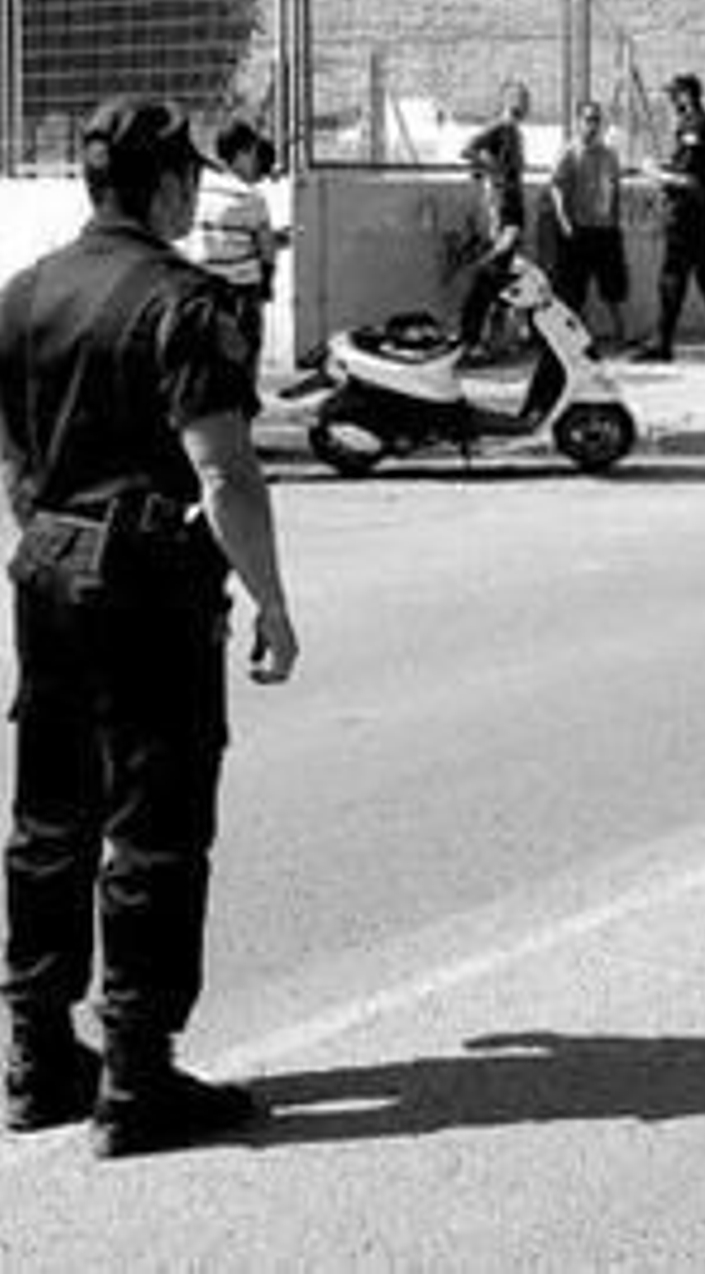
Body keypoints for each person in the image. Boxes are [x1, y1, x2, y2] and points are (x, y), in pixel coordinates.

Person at [0, 98, 300, 1159]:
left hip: (46, 568)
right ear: (166, 184)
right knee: (155, 826)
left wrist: (50, 536)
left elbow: (12, 458)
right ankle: (135, 1076)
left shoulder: (24, 293)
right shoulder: (190, 302)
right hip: (147, 583)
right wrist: (271, 601)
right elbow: (223, 471)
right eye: (187, 176)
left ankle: (35, 1059)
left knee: (49, 820)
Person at [637, 72, 705, 361]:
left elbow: (691, 178)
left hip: (688, 213)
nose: (670, 100)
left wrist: (655, 174)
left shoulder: (696, 125)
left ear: (686, 95)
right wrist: (663, 167)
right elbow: (683, 165)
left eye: (674, 94)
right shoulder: (694, 125)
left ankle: (663, 343)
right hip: (694, 212)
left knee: (673, 277)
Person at [181, 117, 277, 385]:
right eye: (254, 154)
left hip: (199, 293)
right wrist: (268, 280)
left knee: (204, 372)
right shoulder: (251, 197)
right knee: (243, 372)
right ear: (243, 153)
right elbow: (267, 249)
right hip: (240, 296)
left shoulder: (197, 189)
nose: (257, 163)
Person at [458, 79, 531, 360]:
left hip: (513, 212)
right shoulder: (499, 128)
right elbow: (467, 150)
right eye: (518, 98)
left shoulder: (515, 133)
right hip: (503, 215)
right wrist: (493, 170)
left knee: (502, 281)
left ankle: (492, 340)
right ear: (506, 101)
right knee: (489, 277)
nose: (523, 104)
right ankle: (470, 339)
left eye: (525, 99)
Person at [550, 100, 629, 349]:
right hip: (579, 229)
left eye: (596, 119)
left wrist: (616, 222)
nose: (592, 125)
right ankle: (579, 339)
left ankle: (620, 334)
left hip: (605, 229)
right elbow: (557, 188)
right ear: (578, 122)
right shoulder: (569, 151)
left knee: (612, 286)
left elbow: (616, 190)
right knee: (575, 288)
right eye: (588, 119)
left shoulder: (609, 155)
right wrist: (564, 221)